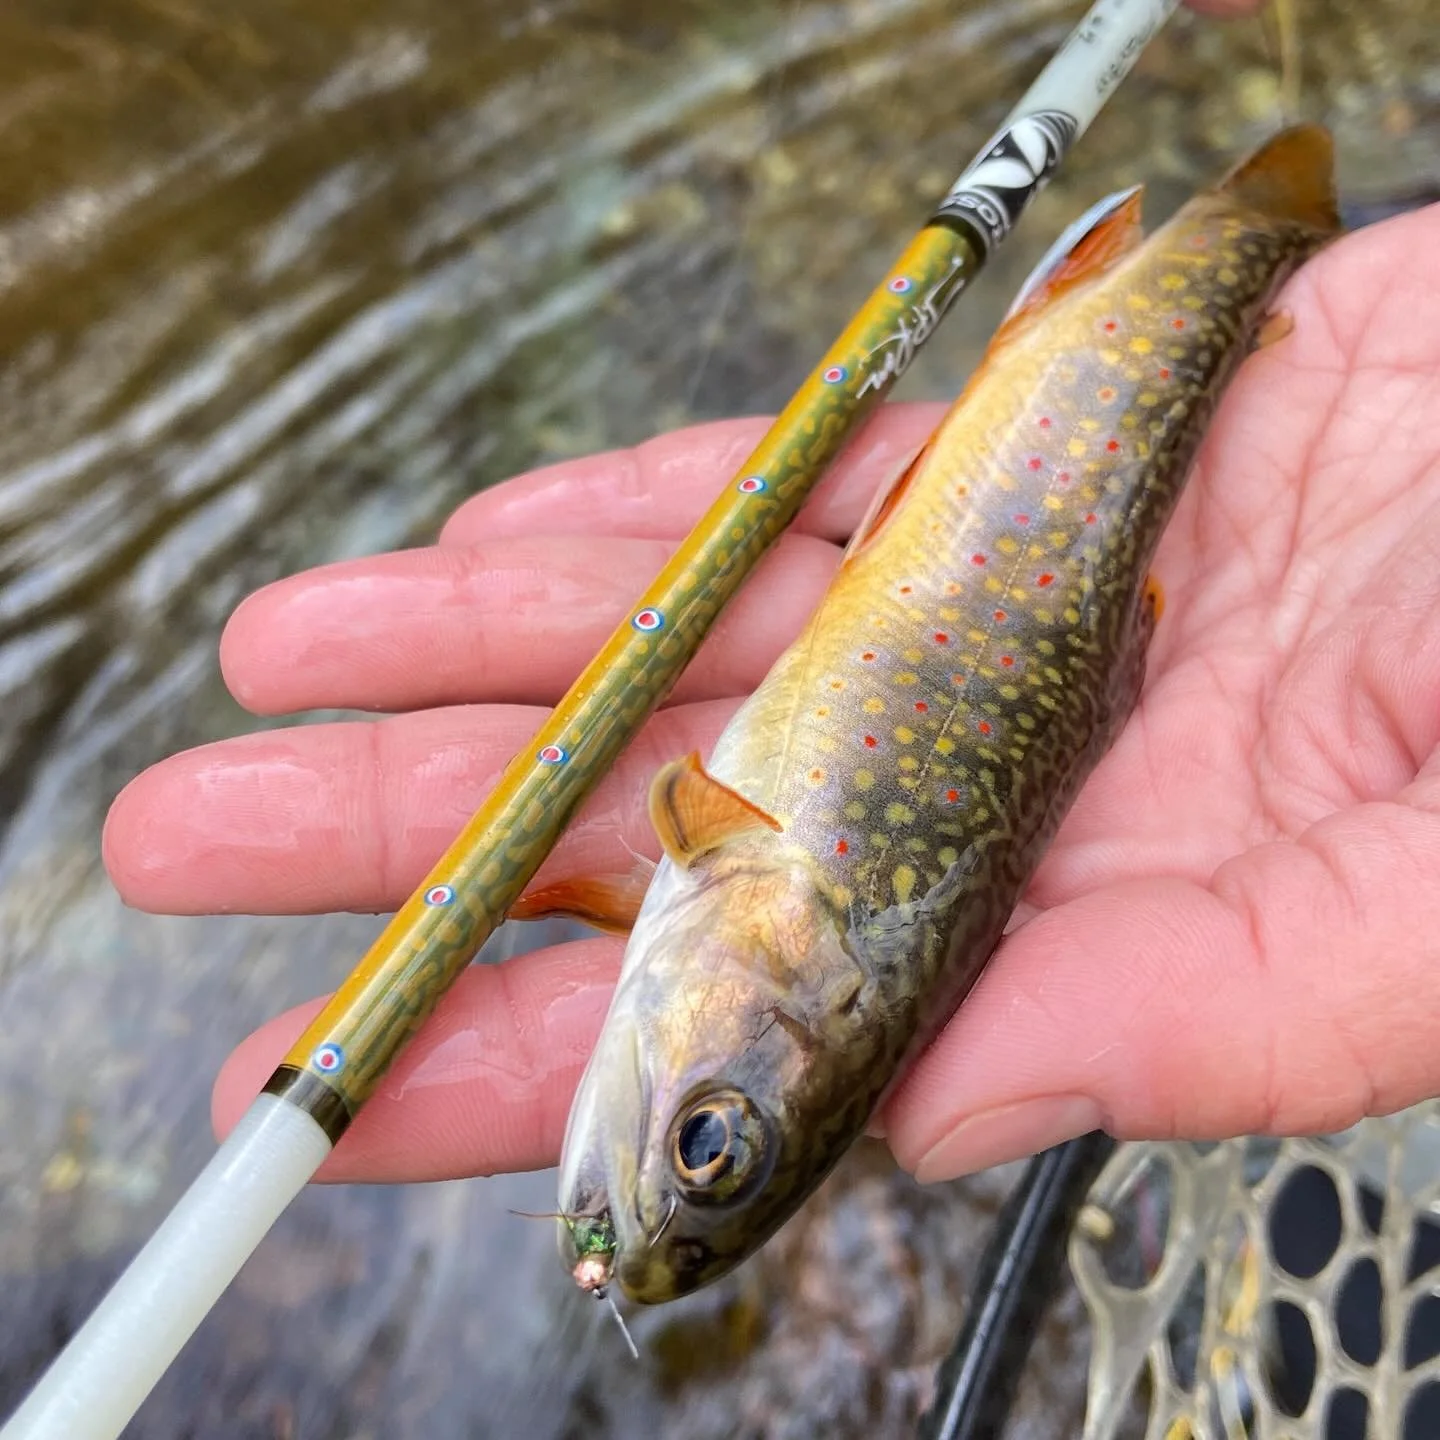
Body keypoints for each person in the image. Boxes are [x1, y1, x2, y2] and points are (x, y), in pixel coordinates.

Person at [105, 3, 1440, 1190]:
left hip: (1035, 570)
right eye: (702, 1144)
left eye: (710, 1147)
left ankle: (1258, 225)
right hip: (1049, 527)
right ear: (802, 980)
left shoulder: (744, 906)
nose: (662, 1167)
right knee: (1175, 288)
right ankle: (1255, 231)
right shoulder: (724, 863)